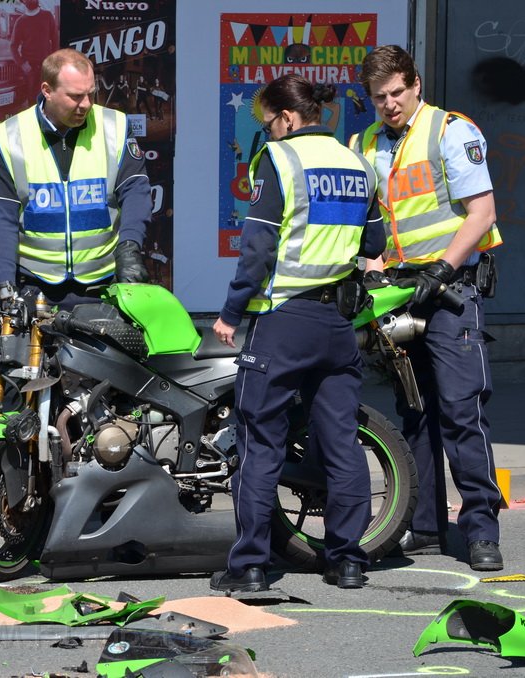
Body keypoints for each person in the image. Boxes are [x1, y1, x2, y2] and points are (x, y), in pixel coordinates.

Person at [211, 74, 386, 593]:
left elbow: (258, 250)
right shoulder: (359, 164)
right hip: (337, 324)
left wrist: (230, 313)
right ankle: (347, 561)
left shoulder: (280, 160)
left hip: (284, 320)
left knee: (260, 440)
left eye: (268, 123)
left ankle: (249, 568)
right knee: (341, 443)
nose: (267, 132)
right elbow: (373, 238)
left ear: (288, 118)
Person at [351, 44, 504, 571]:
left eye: (397, 92)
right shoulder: (365, 142)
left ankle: (481, 529)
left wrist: (442, 268)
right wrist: (369, 265)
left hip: (450, 286)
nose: (390, 104)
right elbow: (369, 224)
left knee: (461, 409)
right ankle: (423, 525)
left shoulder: (450, 130)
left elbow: (481, 212)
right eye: (379, 97)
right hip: (396, 290)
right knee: (414, 414)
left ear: (415, 83)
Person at [0, 48, 151, 310]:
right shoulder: (9, 136)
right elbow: (0, 216)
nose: (86, 104)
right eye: (75, 96)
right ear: (47, 90)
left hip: (102, 285)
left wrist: (129, 247)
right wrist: (5, 286)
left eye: (90, 93)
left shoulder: (115, 126)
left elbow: (136, 191)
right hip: (34, 284)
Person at [9, 0, 57, 102]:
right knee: (32, 101)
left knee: (48, 99)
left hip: (46, 66)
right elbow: (13, 47)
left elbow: (55, 39)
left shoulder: (47, 16)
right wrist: (23, 64)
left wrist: (53, 61)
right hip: (30, 69)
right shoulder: (20, 22)